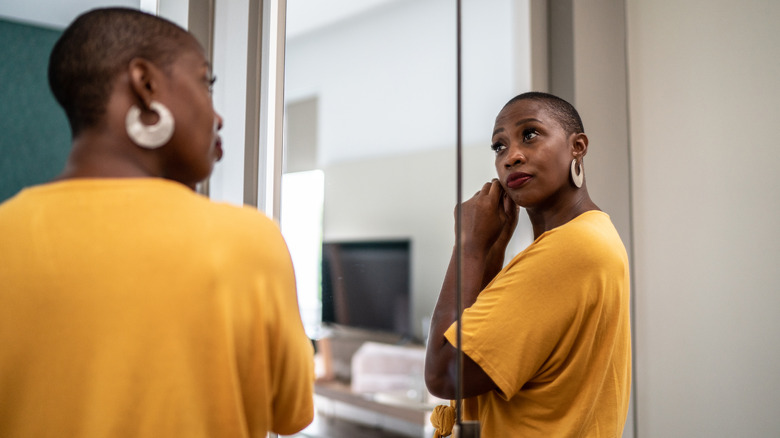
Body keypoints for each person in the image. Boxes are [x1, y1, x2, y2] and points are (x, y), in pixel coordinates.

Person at [0, 8, 313, 437]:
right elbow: (292, 414)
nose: (218, 116)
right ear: (146, 85)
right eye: (207, 83)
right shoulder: (249, 241)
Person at [425, 92, 631, 436]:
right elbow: (480, 355)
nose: (511, 157)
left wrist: (468, 247)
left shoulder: (568, 249)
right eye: (499, 147)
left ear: (577, 146)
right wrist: (491, 251)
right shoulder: (591, 234)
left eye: (530, 134)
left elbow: (444, 374)